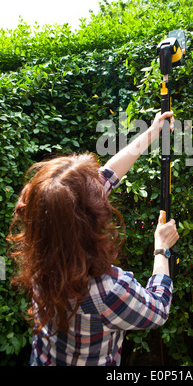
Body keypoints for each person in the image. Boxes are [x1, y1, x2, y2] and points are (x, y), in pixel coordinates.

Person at [7, 111, 179, 366]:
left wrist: (152, 133)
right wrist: (161, 250)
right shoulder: (108, 290)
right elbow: (158, 309)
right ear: (88, 217)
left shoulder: (44, 248)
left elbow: (106, 177)